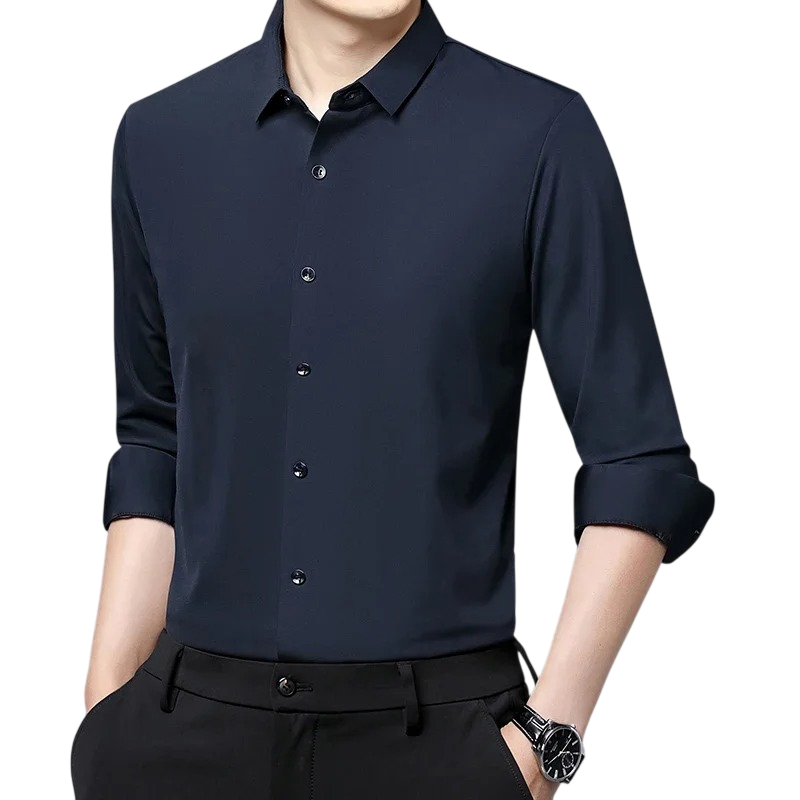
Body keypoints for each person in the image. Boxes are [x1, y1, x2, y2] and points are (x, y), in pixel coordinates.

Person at [71, 1, 715, 798]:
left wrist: (545, 742)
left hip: (433, 746)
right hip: (184, 741)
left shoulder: (537, 134)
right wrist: (109, 700)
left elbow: (639, 462)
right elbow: (156, 436)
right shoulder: (160, 139)